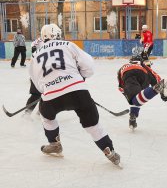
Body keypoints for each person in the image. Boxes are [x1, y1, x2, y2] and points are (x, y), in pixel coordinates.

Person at [29, 24, 120, 166]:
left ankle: (54, 143)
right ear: (59, 34)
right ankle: (109, 150)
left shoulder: (35, 54)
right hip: (77, 91)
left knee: (46, 116)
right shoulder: (68, 44)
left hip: (51, 96)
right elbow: (89, 65)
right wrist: (81, 77)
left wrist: (47, 88)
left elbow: (36, 81)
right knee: (92, 125)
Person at [117, 55, 167, 130]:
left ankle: (154, 90)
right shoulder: (143, 65)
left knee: (133, 99)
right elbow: (155, 77)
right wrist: (162, 93)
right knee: (137, 98)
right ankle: (133, 117)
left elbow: (120, 86)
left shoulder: (124, 66)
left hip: (128, 75)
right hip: (143, 75)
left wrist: (126, 94)